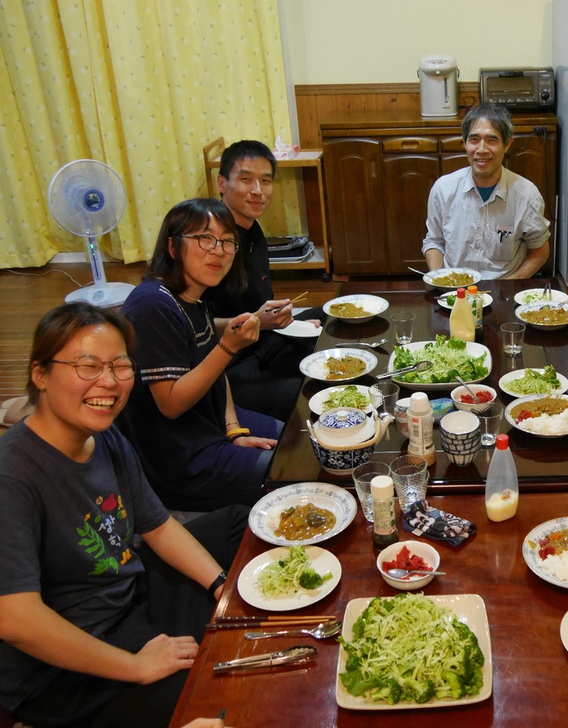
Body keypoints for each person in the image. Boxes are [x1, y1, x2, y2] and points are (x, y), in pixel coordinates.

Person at [0, 302, 247, 728]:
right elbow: (16, 620)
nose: (109, 382)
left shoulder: (104, 435)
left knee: (237, 524)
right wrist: (136, 665)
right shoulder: (12, 475)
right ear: (40, 375)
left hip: (129, 593)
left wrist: (222, 588)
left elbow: (158, 524)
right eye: (88, 366)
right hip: (67, 667)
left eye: (120, 366)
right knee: (218, 699)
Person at [120, 198, 280, 511]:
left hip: (212, 424)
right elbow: (171, 404)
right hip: (182, 460)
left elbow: (216, 376)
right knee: (287, 472)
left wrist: (234, 430)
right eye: (204, 239)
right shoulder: (152, 305)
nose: (218, 251)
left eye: (227, 241)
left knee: (297, 439)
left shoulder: (194, 295)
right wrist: (229, 346)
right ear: (172, 246)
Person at [207, 139, 324, 422]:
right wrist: (258, 321)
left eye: (266, 181)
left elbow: (260, 308)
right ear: (222, 183)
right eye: (246, 179)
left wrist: (287, 321)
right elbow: (195, 329)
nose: (258, 191)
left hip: (261, 339)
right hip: (229, 363)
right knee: (308, 393)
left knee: (330, 315)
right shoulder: (212, 241)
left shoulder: (253, 230)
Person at [422, 103, 550, 279]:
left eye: (492, 140)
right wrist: (438, 279)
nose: (481, 150)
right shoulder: (443, 189)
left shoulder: (526, 194)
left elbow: (540, 250)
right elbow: (434, 242)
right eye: (474, 140)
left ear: (507, 144)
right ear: (464, 143)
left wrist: (509, 286)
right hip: (454, 288)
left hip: (502, 289)